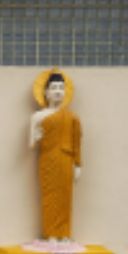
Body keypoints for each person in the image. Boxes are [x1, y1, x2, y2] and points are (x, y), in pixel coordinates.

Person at [28, 70, 82, 241]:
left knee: (66, 197)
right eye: (54, 88)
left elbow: (76, 143)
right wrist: (36, 137)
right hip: (48, 160)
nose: (58, 91)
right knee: (50, 197)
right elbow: (31, 145)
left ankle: (64, 234)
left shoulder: (72, 117)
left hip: (66, 159)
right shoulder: (38, 117)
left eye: (61, 88)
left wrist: (78, 165)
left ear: (65, 92)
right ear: (46, 92)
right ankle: (51, 234)